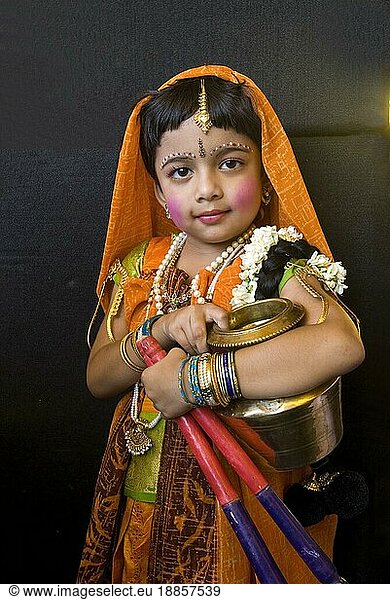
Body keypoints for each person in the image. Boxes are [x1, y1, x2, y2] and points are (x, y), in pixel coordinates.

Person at [77, 65, 365, 584]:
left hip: (247, 496)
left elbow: (341, 343)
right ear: (157, 184)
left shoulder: (274, 257)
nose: (207, 190)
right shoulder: (143, 264)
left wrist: (195, 381)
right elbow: (99, 379)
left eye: (230, 163)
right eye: (181, 172)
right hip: (143, 494)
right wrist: (159, 332)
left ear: (265, 166)